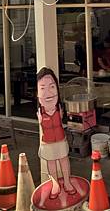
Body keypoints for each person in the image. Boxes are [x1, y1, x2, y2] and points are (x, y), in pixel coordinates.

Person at [36, 67, 75, 199]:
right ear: (37, 92)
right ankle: (55, 184)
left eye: (52, 86)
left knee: (64, 160)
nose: (48, 92)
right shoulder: (40, 112)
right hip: (47, 141)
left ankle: (67, 182)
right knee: (51, 162)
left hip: (60, 139)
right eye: (42, 88)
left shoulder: (59, 108)